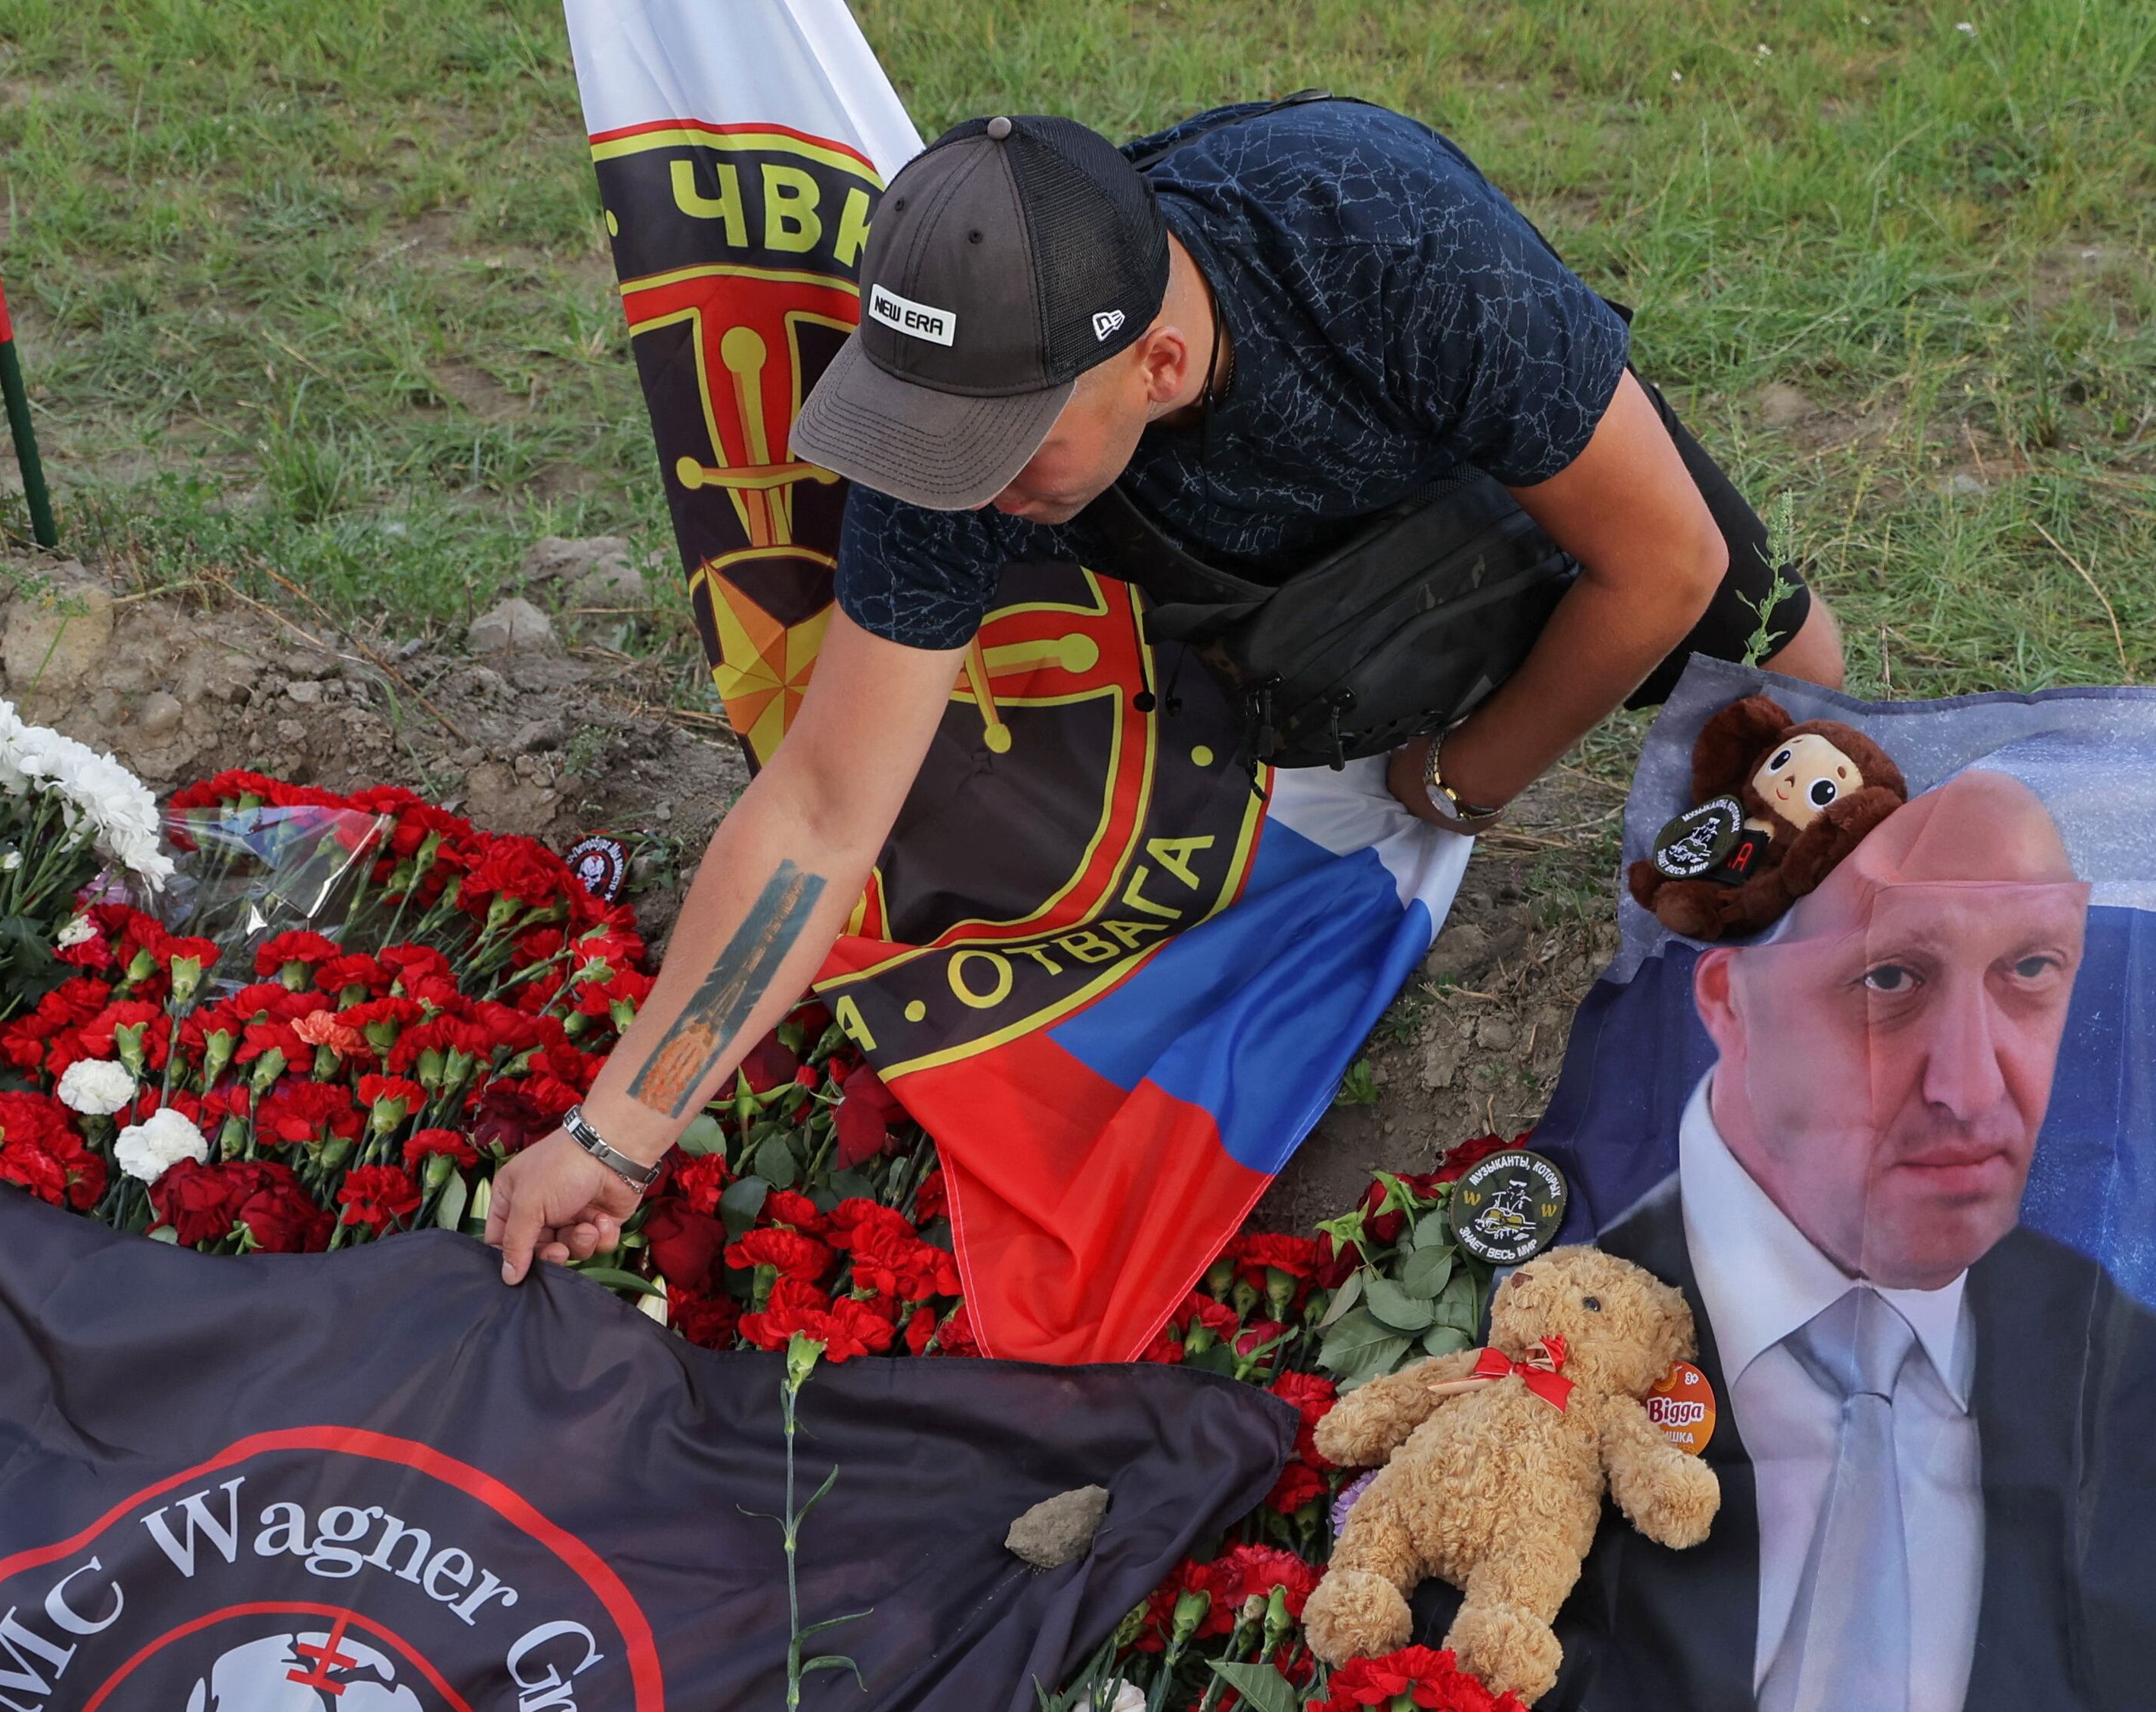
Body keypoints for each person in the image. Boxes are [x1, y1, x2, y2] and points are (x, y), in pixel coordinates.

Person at [490, 100, 1839, 1279]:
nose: (963, 484)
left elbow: (1663, 566)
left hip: (1482, 472)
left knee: (1796, 696)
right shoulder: (957, 412)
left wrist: (1462, 777)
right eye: (932, 440)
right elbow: (823, 813)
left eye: (1006, 452)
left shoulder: (1387, 239)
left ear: (1159, 363)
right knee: (1280, 715)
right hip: (1262, 581)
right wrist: (616, 1133)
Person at [1557, 764, 2156, 1712]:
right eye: (1889, 981)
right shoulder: (1552, 1319)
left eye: (2031, 968)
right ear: (1729, 997)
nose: (1972, 1086)